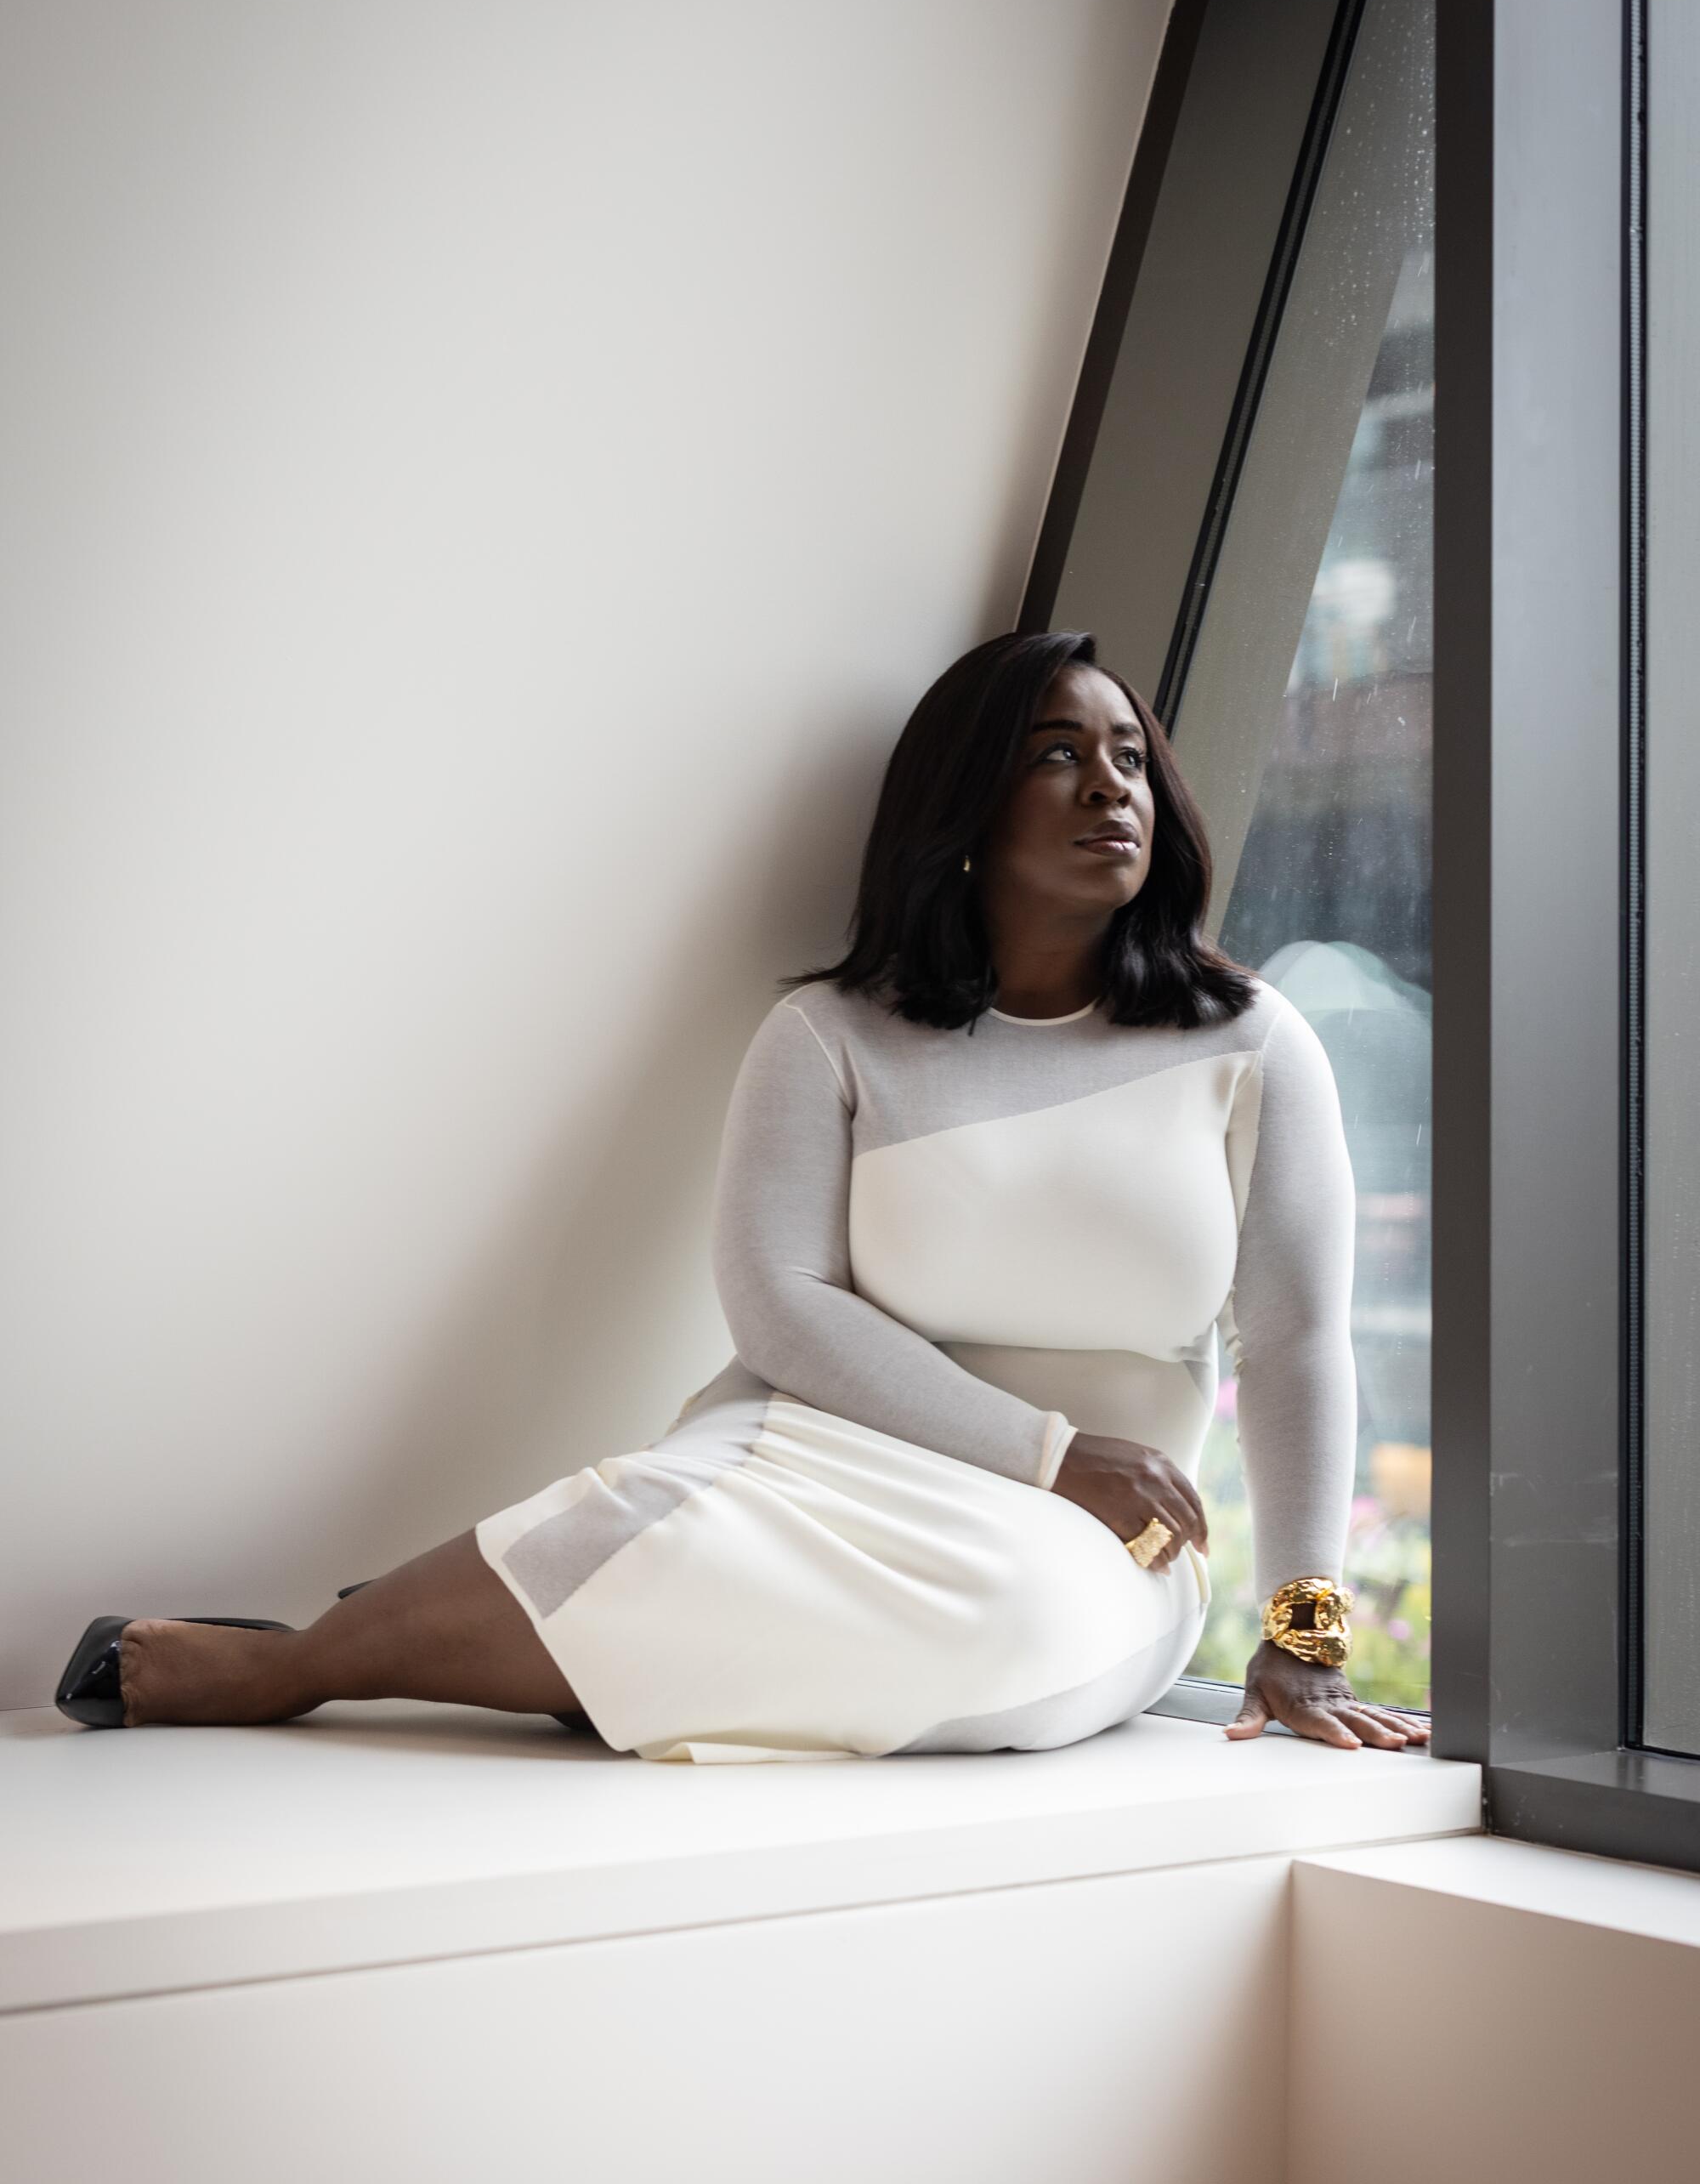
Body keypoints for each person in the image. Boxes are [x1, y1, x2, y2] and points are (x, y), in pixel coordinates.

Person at [55, 630, 1430, 1759]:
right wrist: (1044, 1444)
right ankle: (304, 1666)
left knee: (1006, 1617)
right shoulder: (834, 1034)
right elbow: (775, 1307)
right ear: (961, 807)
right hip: (817, 1445)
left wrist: (1301, 1639)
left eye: (1130, 756)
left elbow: (1300, 1341)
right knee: (641, 1520)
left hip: (1097, 1538)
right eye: (1057, 755)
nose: (1109, 787)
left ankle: (523, 1644)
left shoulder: (1245, 1041)